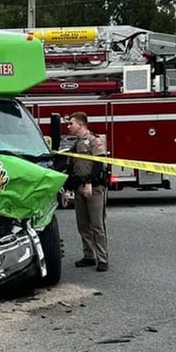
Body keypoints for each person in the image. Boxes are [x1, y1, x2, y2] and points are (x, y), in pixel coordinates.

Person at [65, 112, 109, 271]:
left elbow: (99, 164)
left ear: (81, 124)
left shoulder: (94, 141)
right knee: (83, 225)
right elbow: (70, 167)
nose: (68, 126)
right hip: (79, 188)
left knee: (97, 225)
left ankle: (102, 259)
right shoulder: (75, 144)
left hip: (94, 188)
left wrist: (90, 182)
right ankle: (89, 255)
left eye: (71, 123)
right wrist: (65, 188)